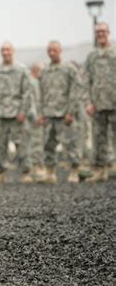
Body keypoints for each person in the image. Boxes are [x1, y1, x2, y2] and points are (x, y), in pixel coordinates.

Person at [0, 42, 33, 184]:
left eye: (8, 50)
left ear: (13, 51)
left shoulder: (22, 70)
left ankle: (26, 172)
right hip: (0, 114)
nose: (5, 52)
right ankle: (1, 173)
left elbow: (27, 92)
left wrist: (23, 111)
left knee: (21, 144)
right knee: (0, 145)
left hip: (17, 114)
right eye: (3, 50)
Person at [37, 41, 82, 183]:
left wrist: (71, 111)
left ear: (60, 51)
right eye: (49, 50)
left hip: (64, 114)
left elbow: (76, 90)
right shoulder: (44, 71)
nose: (51, 53)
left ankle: (74, 171)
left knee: (70, 143)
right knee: (48, 144)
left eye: (54, 50)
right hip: (49, 113)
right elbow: (41, 93)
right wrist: (41, 112)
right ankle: (50, 172)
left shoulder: (69, 69)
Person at [83, 22, 116, 182]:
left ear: (108, 32)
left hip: (114, 102)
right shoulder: (92, 56)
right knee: (99, 139)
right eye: (98, 32)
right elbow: (86, 80)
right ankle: (100, 170)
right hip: (98, 105)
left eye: (103, 31)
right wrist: (88, 102)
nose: (101, 34)